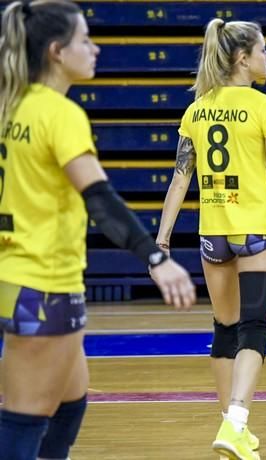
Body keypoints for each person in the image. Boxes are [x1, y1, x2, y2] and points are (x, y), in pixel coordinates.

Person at [0, 1, 197, 459]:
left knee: (70, 401)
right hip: (43, 283)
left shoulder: (12, 105)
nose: (95, 48)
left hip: (19, 277)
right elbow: (100, 199)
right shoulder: (59, 114)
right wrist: (156, 257)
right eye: (84, 40)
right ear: (55, 52)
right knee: (24, 421)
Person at [155, 19, 266, 460]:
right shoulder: (264, 106)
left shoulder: (197, 109)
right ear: (242, 58)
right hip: (259, 229)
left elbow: (178, 180)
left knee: (224, 330)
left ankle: (231, 425)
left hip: (213, 232)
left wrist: (163, 240)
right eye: (264, 51)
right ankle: (238, 420)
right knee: (254, 330)